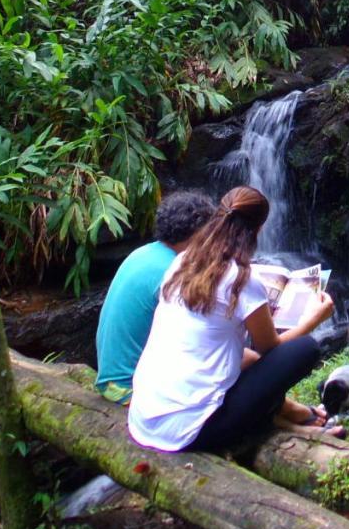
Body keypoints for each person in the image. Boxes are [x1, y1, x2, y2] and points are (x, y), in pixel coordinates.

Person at [128, 186, 337, 452]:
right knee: (304, 349)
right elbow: (271, 348)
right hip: (189, 433)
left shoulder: (182, 262)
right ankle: (280, 421)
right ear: (258, 229)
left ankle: (287, 417)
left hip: (144, 417)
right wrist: (311, 320)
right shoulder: (241, 279)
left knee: (248, 359)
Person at [94, 190, 217, 404]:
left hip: (111, 380)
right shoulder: (173, 272)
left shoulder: (144, 253)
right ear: (197, 235)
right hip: (130, 389)